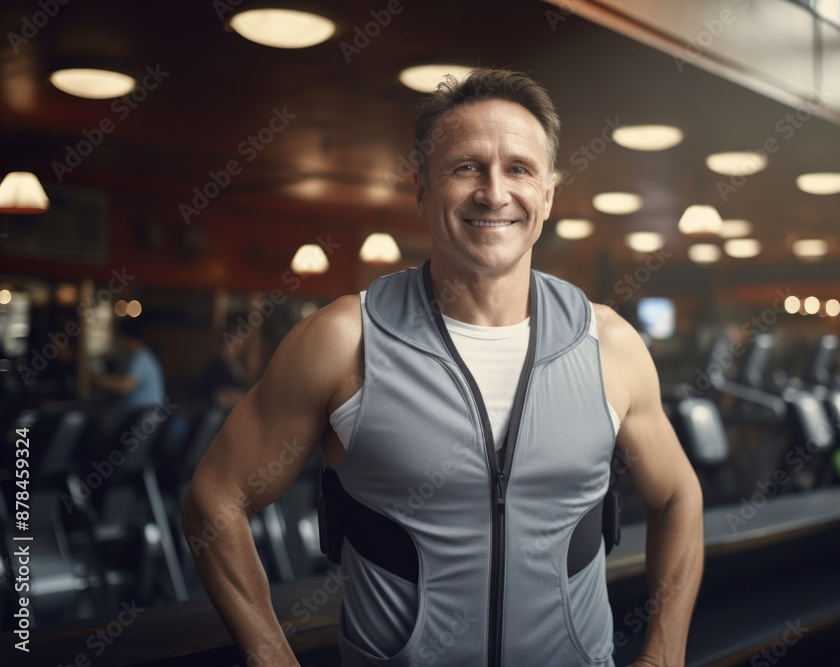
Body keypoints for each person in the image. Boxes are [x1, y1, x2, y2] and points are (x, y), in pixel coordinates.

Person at [182, 68, 703, 667]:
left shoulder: (607, 343)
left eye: (519, 169)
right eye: (465, 167)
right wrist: (269, 653)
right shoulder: (344, 340)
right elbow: (213, 497)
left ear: (549, 195)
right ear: (422, 188)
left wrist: (663, 654)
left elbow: (679, 496)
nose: (494, 192)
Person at [92, 316, 165, 423]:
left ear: (125, 337)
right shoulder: (144, 356)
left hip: (136, 422)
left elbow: (125, 385)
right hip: (138, 419)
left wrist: (97, 380)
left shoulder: (140, 358)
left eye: (118, 337)